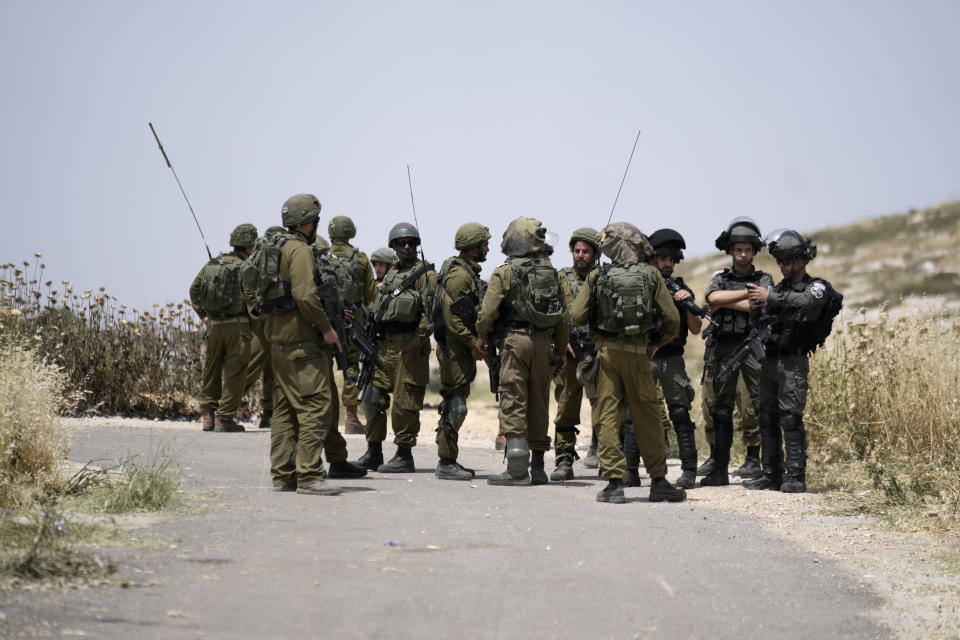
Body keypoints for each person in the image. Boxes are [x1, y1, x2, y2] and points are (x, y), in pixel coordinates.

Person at [570, 222, 686, 504]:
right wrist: (655, 342)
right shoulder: (652, 275)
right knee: (647, 417)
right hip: (639, 355)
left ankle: (613, 484)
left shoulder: (598, 274)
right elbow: (672, 319)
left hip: (607, 355)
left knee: (607, 416)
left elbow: (576, 315)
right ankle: (658, 481)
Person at [265, 194, 366, 495]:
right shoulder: (300, 250)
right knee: (316, 406)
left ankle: (283, 474)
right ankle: (308, 475)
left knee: (284, 409)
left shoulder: (274, 248)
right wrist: (327, 329)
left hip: (278, 343)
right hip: (303, 344)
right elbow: (305, 295)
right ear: (309, 222)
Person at [744, 229, 839, 493]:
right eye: (780, 262)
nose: (783, 266)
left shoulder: (816, 286)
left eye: (787, 261)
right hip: (770, 360)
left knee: (790, 418)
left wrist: (769, 298)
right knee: (766, 417)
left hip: (793, 362)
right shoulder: (777, 289)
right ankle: (770, 474)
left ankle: (795, 476)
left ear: (802, 260)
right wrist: (756, 309)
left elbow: (808, 301)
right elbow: (762, 320)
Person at [477, 217, 568, 486]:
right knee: (540, 401)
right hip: (544, 344)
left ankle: (517, 469)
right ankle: (538, 468)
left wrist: (482, 336)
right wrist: (560, 350)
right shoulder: (551, 272)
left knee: (513, 397)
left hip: (514, 341)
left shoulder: (504, 272)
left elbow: (487, 312)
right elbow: (562, 316)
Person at [354, 222, 437, 473]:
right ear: (394, 246)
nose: (407, 247)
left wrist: (416, 343)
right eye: (402, 243)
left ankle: (404, 454)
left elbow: (430, 314)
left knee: (404, 404)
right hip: (383, 346)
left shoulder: (425, 275)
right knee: (371, 398)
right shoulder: (390, 275)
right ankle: (374, 451)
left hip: (408, 348)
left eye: (411, 242)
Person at [699, 217, 774, 488]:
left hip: (753, 346)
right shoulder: (720, 278)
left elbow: (763, 306)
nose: (743, 255)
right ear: (731, 251)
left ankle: (766, 467)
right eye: (738, 250)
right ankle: (719, 468)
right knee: (721, 408)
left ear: (754, 251)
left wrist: (731, 302)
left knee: (760, 406)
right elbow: (712, 299)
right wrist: (745, 297)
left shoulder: (764, 279)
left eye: (747, 250)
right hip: (725, 348)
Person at [432, 222, 490, 480]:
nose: (487, 248)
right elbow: (452, 318)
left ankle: (448, 458)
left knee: (456, 402)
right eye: (484, 244)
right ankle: (446, 462)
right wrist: (472, 343)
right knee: (456, 406)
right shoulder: (459, 276)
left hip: (459, 349)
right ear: (473, 247)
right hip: (454, 350)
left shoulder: (467, 272)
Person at [646, 228, 702, 489]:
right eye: (662, 258)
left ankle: (689, 469)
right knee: (635, 414)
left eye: (671, 259)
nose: (667, 263)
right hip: (646, 356)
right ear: (653, 259)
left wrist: (686, 301)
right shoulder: (644, 284)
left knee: (680, 412)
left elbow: (695, 328)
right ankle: (632, 471)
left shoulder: (681, 287)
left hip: (672, 358)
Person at [189, 224, 257, 433]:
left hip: (214, 327)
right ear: (250, 245)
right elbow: (251, 298)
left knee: (211, 370)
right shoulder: (245, 267)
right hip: (238, 328)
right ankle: (225, 418)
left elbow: (194, 289)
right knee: (235, 372)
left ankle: (208, 416)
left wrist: (204, 316)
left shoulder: (213, 264)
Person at [551, 227, 600, 481]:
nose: (580, 255)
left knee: (603, 406)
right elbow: (553, 311)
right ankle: (564, 460)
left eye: (586, 251)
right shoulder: (561, 277)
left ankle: (606, 455)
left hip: (597, 352)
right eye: (577, 251)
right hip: (568, 353)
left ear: (595, 254)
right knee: (567, 405)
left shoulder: (603, 277)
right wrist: (562, 342)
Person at [327, 215, 378, 434]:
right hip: (352, 320)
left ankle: (323, 418)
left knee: (322, 367)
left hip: (325, 320)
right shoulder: (361, 259)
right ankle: (351, 419)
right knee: (350, 367)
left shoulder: (320, 256)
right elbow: (371, 294)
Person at [243, 225, 285, 430]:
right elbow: (249, 284)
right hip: (264, 321)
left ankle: (269, 413)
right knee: (251, 364)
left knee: (273, 369)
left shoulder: (275, 257)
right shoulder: (263, 258)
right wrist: (257, 312)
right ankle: (223, 409)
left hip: (274, 319)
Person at [697, 375, 760, 477]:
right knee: (709, 404)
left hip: (744, 360)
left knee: (748, 407)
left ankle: (753, 459)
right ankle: (715, 458)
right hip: (717, 361)